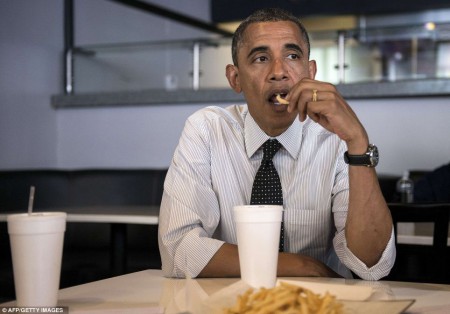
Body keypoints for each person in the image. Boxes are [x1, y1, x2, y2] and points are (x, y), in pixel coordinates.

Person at [158, 8, 395, 280]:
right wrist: (299, 266)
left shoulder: (336, 138)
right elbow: (177, 249)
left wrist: (357, 142)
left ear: (310, 71)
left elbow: (372, 265)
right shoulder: (206, 130)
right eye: (261, 58)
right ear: (235, 79)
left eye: (292, 56)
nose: (279, 72)